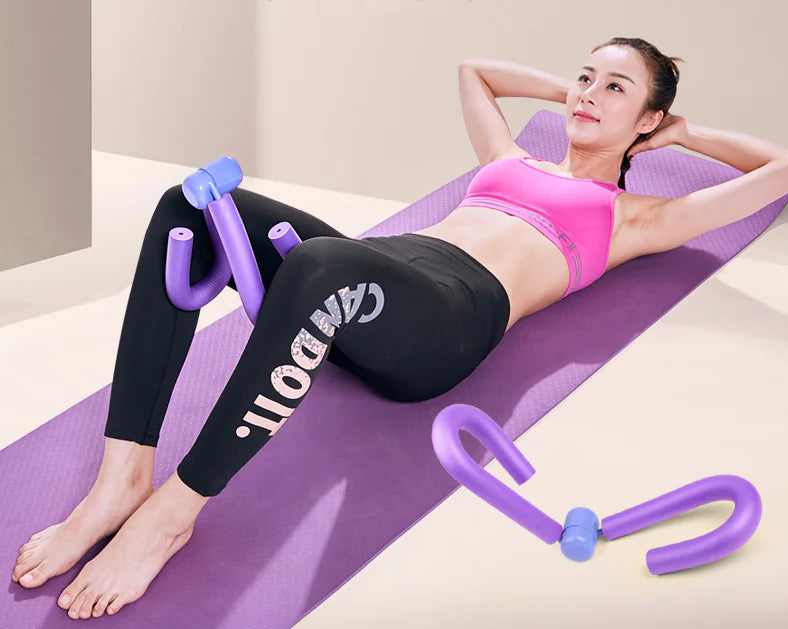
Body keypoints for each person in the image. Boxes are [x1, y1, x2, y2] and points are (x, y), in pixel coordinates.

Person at [12, 36, 784, 620]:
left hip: (450, 318)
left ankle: (171, 515)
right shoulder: (509, 159)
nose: (588, 93)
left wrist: (678, 133)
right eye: (585, 76)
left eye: (615, 88)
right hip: (381, 275)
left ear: (648, 117)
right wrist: (577, 98)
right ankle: (122, 477)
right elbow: (475, 71)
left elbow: (779, 169)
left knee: (320, 263)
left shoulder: (635, 217)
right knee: (191, 203)